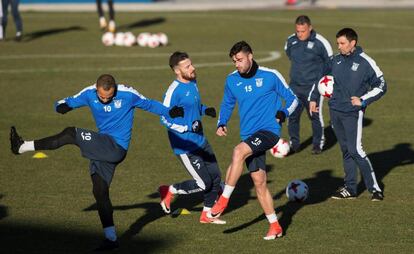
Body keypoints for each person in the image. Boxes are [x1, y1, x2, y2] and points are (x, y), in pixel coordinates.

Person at [9, 74, 184, 251]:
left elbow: (150, 104)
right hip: (102, 146)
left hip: (116, 147)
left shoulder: (127, 94)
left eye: (109, 96)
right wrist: (61, 107)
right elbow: (68, 101)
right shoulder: (88, 93)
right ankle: (111, 239)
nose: (105, 99)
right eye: (102, 96)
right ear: (96, 90)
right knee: (100, 191)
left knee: (70, 133)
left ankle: (22, 146)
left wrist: (169, 111)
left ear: (114, 89)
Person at [209, 41, 298, 239]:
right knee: (259, 182)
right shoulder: (232, 80)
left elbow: (293, 99)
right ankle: (275, 226)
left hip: (269, 131)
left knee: (238, 152)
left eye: (239, 60)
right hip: (248, 135)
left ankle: (223, 200)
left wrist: (284, 112)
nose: (237, 64)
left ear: (250, 56)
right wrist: (221, 122)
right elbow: (227, 102)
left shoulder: (270, 76)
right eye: (234, 61)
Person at [309, 28, 386, 201]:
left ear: (353, 43)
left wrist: (363, 99)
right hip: (335, 111)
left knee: (355, 149)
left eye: (342, 43)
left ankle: (374, 189)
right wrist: (314, 98)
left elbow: (382, 85)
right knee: (345, 150)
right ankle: (350, 188)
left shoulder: (366, 62)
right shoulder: (334, 60)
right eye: (338, 43)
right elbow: (320, 77)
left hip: (353, 113)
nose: (339, 47)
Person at [158, 51, 225, 224]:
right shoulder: (173, 91)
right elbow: (164, 117)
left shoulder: (193, 81)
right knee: (204, 183)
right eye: (187, 66)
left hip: (201, 140)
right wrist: (187, 127)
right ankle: (170, 190)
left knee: (216, 178)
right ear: (177, 71)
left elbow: (193, 106)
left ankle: (206, 215)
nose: (193, 68)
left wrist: (204, 110)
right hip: (185, 146)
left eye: (191, 64)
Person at [284, 15, 333, 154]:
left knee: (315, 116)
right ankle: (295, 144)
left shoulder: (320, 43)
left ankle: (318, 144)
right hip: (294, 86)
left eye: (303, 31)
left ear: (310, 28)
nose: (300, 34)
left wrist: (322, 84)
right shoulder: (291, 40)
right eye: (298, 31)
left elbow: (329, 62)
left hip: (313, 88)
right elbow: (289, 54)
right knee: (292, 115)